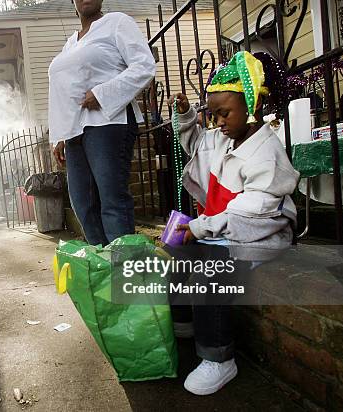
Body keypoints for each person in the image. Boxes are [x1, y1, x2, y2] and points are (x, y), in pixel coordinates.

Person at [167, 51, 299, 395]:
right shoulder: (223, 137)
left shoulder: (266, 152)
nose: (218, 122)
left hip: (261, 235)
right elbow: (195, 144)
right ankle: (184, 322)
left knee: (211, 268)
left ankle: (219, 358)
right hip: (222, 230)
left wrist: (200, 227)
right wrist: (185, 116)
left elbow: (250, 212)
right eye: (213, 115)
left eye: (224, 113)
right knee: (178, 250)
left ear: (250, 107)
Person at [48, 0, 155, 246]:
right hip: (75, 131)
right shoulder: (71, 43)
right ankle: (105, 266)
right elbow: (65, 91)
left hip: (109, 123)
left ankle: (125, 273)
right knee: (82, 205)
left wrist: (103, 93)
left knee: (112, 200)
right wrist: (59, 136)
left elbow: (145, 66)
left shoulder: (117, 23)